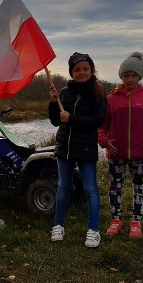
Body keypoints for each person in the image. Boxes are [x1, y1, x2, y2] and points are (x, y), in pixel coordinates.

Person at [98, 52, 143, 238]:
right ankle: (116, 220)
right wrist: (103, 141)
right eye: (126, 75)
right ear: (121, 76)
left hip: (140, 155)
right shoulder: (111, 99)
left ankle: (136, 222)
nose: (130, 79)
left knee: (139, 188)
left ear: (140, 77)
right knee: (115, 187)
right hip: (116, 154)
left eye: (134, 75)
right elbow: (101, 126)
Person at [49, 52, 108, 248]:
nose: (81, 72)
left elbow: (97, 120)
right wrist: (52, 102)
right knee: (63, 186)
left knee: (90, 187)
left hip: (85, 148)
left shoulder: (98, 93)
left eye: (85, 69)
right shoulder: (65, 92)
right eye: (77, 70)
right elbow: (56, 120)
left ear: (91, 71)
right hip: (65, 148)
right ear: (72, 72)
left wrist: (72, 118)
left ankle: (93, 230)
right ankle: (58, 225)